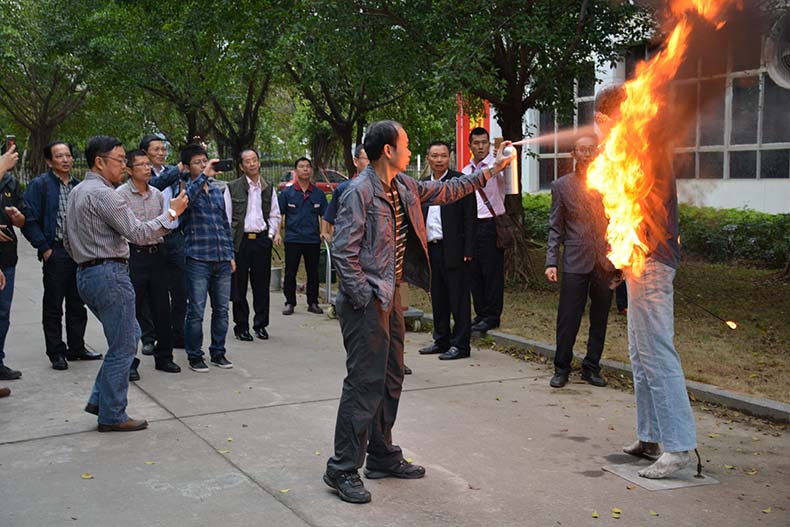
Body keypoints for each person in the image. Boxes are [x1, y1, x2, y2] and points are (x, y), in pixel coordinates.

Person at [323, 120, 513, 504]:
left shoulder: (405, 185)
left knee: (391, 377)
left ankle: (380, 453)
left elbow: (447, 190)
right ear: (388, 151)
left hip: (389, 300)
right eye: (406, 144)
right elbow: (343, 251)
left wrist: (492, 169)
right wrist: (366, 297)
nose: (411, 151)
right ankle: (342, 467)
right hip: (368, 303)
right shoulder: (359, 192)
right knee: (364, 383)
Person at [595, 85, 696, 478]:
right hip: (639, 261)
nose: (599, 131)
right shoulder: (631, 151)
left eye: (601, 122)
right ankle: (651, 436)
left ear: (615, 118)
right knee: (640, 353)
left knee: (656, 351)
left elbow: (645, 212)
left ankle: (678, 446)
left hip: (652, 261)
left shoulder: (642, 150)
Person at [64, 135, 188, 432]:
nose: (123, 165)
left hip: (88, 272)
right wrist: (172, 213)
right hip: (109, 273)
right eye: (120, 160)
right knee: (123, 345)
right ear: (99, 161)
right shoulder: (107, 195)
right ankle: (113, 414)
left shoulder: (78, 191)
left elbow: (68, 241)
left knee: (129, 334)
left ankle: (100, 400)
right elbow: (138, 233)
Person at [22, 141, 101, 371]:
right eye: (59, 156)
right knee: (54, 305)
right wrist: (44, 248)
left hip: (79, 252)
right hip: (55, 251)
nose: (65, 160)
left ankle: (76, 348)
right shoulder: (40, 185)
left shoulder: (79, 186)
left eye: (67, 155)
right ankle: (56, 351)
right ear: (49, 161)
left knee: (78, 302)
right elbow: (29, 219)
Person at [545, 134, 612, 388]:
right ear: (573, 154)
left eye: (591, 149)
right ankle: (561, 368)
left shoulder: (611, 183)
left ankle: (592, 367)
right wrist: (551, 261)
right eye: (581, 150)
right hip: (575, 261)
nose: (587, 154)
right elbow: (555, 227)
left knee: (600, 318)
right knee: (568, 318)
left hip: (605, 263)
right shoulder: (562, 185)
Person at [116, 150, 181, 377]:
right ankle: (129, 362)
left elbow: (164, 225)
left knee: (162, 307)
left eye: (147, 164)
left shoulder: (157, 194)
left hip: (157, 253)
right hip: (133, 255)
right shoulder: (120, 195)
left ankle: (164, 357)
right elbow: (128, 229)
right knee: (131, 309)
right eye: (141, 165)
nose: (146, 168)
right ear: (129, 169)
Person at [418, 141, 476, 361]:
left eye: (443, 156)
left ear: (449, 157)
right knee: (438, 297)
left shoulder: (460, 182)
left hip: (455, 249)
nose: (439, 160)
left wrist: (469, 248)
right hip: (431, 249)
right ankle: (441, 339)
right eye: (435, 156)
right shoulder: (422, 185)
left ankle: (460, 345)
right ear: (428, 158)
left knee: (458, 298)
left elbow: (471, 218)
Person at [180, 144, 235, 372]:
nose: (204, 165)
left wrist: (230, 254)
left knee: (222, 309)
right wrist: (203, 177)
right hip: (198, 258)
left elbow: (224, 223)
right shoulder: (184, 189)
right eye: (197, 162)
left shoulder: (216, 189)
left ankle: (218, 352)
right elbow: (185, 205)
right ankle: (195, 355)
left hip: (221, 257)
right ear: (186, 167)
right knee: (196, 310)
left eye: (205, 161)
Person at [224, 149, 281, 341]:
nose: (252, 164)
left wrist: (271, 235)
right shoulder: (232, 188)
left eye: (255, 160)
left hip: (261, 241)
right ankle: (241, 326)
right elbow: (226, 217)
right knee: (239, 287)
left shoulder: (268, 187)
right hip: (240, 242)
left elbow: (274, 213)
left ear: (259, 162)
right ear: (241, 166)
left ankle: (261, 325)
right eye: (247, 161)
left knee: (261, 285)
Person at [140, 134, 186, 353]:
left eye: (162, 149)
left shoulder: (172, 173)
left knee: (180, 289)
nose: (160, 153)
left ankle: (176, 334)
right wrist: (177, 170)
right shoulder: (144, 174)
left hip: (175, 236)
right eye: (155, 149)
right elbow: (155, 186)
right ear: (145, 153)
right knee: (152, 291)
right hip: (152, 237)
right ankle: (149, 337)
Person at [462, 127, 505, 334]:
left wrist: (501, 159)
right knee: (474, 272)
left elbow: (507, 175)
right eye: (476, 143)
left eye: (484, 142)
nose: (480, 146)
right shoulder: (465, 171)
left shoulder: (498, 166)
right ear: (469, 146)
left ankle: (492, 316)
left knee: (492, 272)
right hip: (471, 226)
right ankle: (480, 313)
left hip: (490, 224)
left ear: (489, 144)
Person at [278, 157, 327, 315]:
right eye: (301, 166)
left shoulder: (318, 193)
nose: (305, 169)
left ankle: (312, 302)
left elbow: (325, 215)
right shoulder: (287, 193)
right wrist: (278, 233)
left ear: (311, 170)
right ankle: (289, 302)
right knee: (290, 271)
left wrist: (324, 231)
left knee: (313, 272)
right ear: (296, 171)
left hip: (312, 239)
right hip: (293, 238)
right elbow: (279, 215)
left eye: (308, 166)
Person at [0, 145, 26, 382]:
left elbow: (23, 217)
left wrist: (18, 218)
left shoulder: (9, 181)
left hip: (6, 256)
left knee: (2, 313)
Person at [321, 145, 368, 242]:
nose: (370, 164)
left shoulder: (381, 189)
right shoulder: (343, 189)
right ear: (356, 161)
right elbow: (330, 216)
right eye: (367, 159)